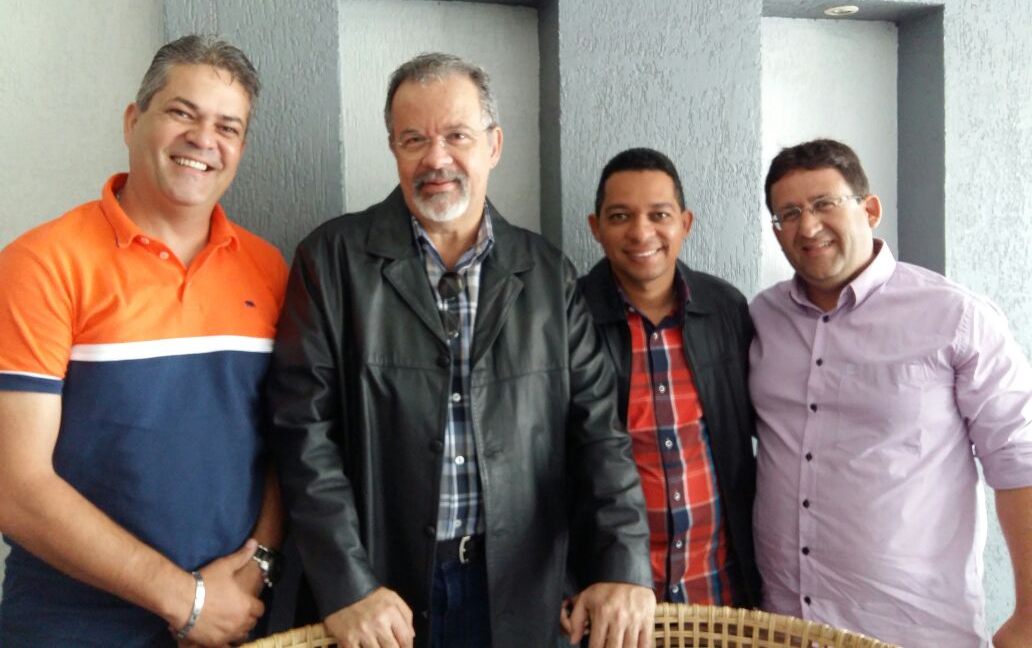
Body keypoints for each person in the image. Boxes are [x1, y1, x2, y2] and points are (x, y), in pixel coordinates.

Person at [266, 53, 654, 648]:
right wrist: (347, 585)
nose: (436, 158)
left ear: (493, 145)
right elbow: (302, 436)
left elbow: (599, 433)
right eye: (414, 139)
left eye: (456, 136)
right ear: (393, 148)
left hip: (522, 590)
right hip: (380, 598)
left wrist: (623, 565)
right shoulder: (331, 260)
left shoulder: (547, 274)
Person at [0, 35, 288, 646]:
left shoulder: (268, 270)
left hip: (234, 622)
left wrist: (252, 571)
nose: (203, 139)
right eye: (182, 112)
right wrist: (186, 600)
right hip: (70, 627)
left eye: (227, 127)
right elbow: (14, 487)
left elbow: (285, 441)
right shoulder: (42, 265)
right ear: (134, 121)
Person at [750, 138, 1032, 647]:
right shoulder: (760, 319)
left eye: (824, 204)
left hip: (912, 632)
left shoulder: (956, 317)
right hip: (781, 628)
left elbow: (1021, 461)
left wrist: (1030, 614)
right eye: (789, 213)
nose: (807, 226)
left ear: (870, 210)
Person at [576, 148, 760, 609]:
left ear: (685, 223)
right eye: (620, 216)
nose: (641, 233)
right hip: (615, 603)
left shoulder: (726, 309)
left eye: (659, 215)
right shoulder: (566, 319)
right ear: (596, 227)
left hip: (720, 593)